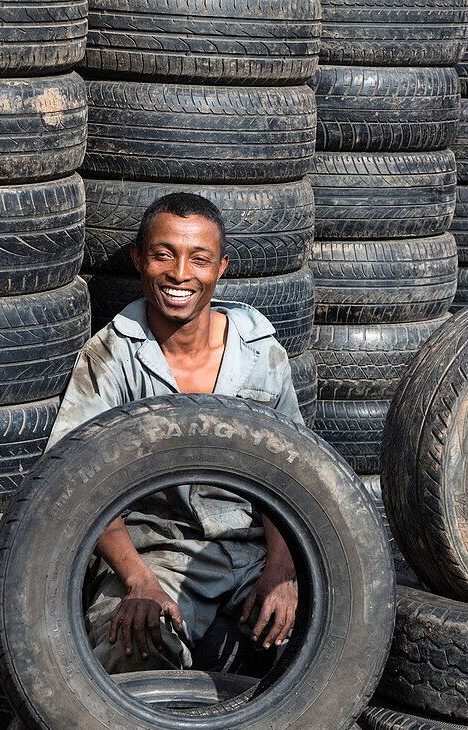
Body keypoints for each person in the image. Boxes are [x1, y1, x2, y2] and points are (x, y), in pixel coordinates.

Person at [45, 192, 302, 673]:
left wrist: (283, 568)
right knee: (134, 645)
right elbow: (74, 484)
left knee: (324, 635)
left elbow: (293, 473)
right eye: (164, 254)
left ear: (221, 267)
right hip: (153, 550)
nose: (181, 274)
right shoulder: (110, 356)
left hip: (250, 548)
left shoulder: (261, 352)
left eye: (199, 259)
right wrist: (137, 581)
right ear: (138, 259)